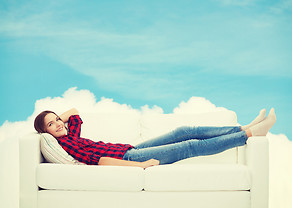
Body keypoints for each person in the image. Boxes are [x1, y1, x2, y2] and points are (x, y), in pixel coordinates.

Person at [34, 107, 276, 169]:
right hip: (129, 156)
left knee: (182, 130)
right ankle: (250, 134)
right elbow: (100, 161)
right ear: (45, 133)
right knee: (189, 146)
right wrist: (139, 165)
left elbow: (74, 113)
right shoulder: (65, 145)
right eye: (51, 124)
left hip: (130, 147)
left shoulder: (69, 134)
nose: (58, 124)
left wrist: (56, 119)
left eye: (57, 120)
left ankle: (242, 127)